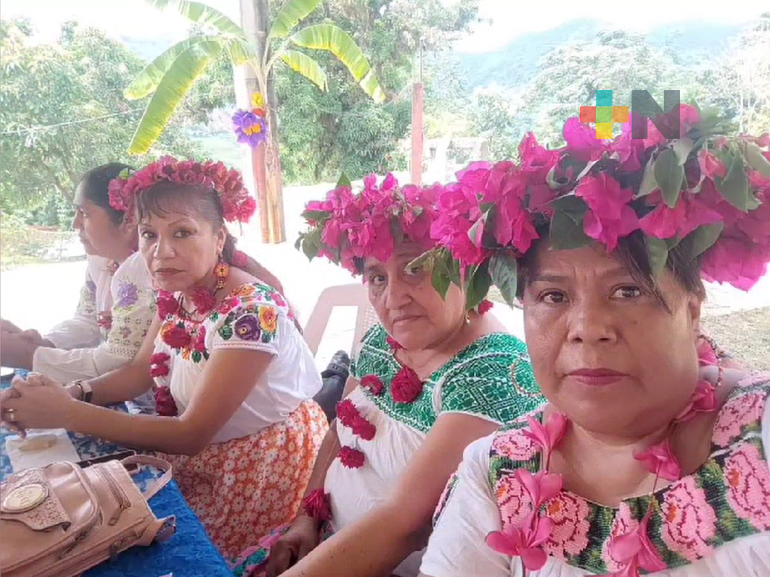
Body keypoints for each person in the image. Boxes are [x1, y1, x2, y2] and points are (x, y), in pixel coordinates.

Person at [418, 109, 770, 576]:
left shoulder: (760, 434)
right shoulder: (495, 471)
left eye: (628, 291)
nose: (587, 327)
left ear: (691, 308)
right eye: (553, 295)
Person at [0, 157, 328, 558]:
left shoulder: (249, 313)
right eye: (148, 234)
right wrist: (67, 393)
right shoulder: (177, 291)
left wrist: (64, 413)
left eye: (183, 233)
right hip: (203, 453)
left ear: (219, 237)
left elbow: (191, 434)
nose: (162, 251)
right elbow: (139, 372)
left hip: (260, 465)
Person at [231, 173, 544, 577]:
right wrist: (307, 517)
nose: (393, 299)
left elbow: (405, 525)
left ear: (465, 268)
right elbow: (337, 430)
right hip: (326, 537)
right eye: (378, 277)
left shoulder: (494, 371)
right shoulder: (382, 339)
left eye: (415, 269)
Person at [1, 164, 155, 403]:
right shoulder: (100, 259)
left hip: (150, 406)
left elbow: (116, 361)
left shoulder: (144, 269)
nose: (75, 224)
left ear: (127, 219)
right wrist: (44, 342)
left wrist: (28, 355)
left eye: (84, 212)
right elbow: (87, 319)